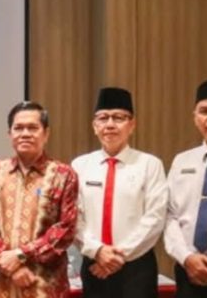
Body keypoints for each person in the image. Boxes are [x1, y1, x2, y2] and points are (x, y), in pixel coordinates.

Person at [73, 87, 168, 297]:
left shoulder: (150, 164)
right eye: (103, 118)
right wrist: (98, 251)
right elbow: (74, 217)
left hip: (137, 268)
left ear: (132, 125)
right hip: (94, 264)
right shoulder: (80, 165)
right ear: (94, 126)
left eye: (118, 118)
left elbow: (155, 217)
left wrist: (118, 256)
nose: (110, 124)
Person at [0, 101, 78, 298]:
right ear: (9, 134)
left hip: (46, 285)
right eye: (18, 128)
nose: (25, 133)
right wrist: (12, 267)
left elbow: (66, 229)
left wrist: (21, 254)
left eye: (33, 128)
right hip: (2, 283)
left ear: (46, 133)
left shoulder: (63, 175)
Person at [165, 79, 207, 297]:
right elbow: (169, 216)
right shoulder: (182, 161)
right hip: (187, 271)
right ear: (195, 118)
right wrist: (187, 258)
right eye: (204, 111)